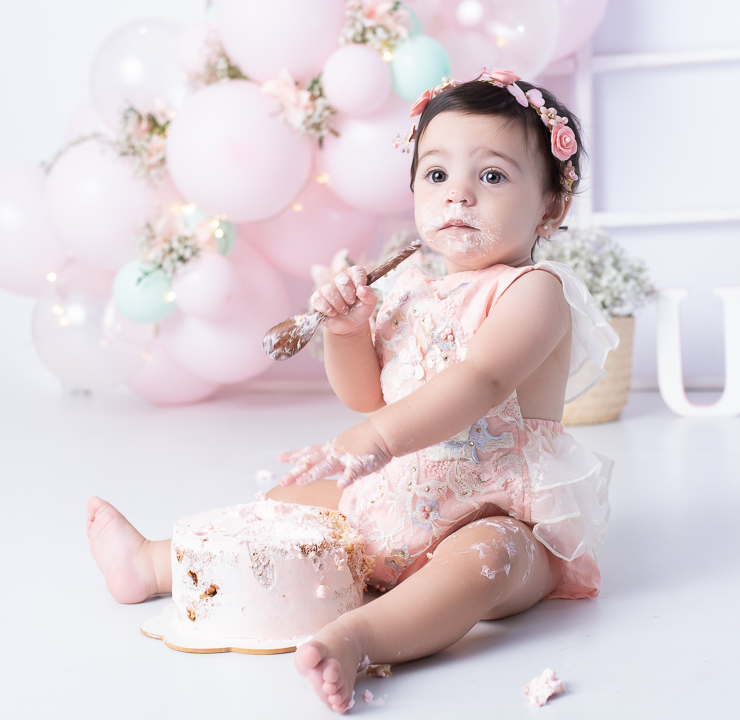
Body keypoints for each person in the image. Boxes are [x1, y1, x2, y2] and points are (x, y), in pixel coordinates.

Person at [87, 68, 616, 713]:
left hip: (494, 506)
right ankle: (154, 564)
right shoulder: (410, 287)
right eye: (437, 174)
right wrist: (347, 332)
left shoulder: (534, 291)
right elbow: (367, 396)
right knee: (287, 508)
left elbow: (481, 380)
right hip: (395, 494)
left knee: (486, 560)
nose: (458, 195)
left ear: (552, 206)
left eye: (492, 176)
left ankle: (360, 637)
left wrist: (375, 440)